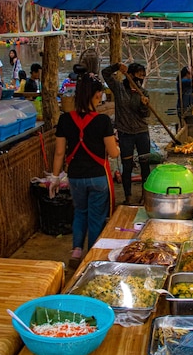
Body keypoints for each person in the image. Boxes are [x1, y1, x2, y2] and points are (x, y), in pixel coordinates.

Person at [49, 72, 119, 267]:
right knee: (96, 217)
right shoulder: (103, 121)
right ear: (97, 95)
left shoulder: (65, 120)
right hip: (97, 177)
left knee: (80, 212)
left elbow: (59, 153)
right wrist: (118, 147)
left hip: (75, 177)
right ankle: (92, 255)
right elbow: (113, 153)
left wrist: (55, 178)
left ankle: (76, 250)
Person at [102, 61, 151, 205]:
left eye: (143, 76)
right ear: (129, 75)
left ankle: (144, 195)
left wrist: (143, 105)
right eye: (138, 75)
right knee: (127, 166)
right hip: (125, 133)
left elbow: (146, 114)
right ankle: (128, 196)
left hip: (142, 132)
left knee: (145, 165)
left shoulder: (144, 92)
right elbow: (105, 74)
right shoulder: (119, 88)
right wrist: (116, 66)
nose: (140, 78)